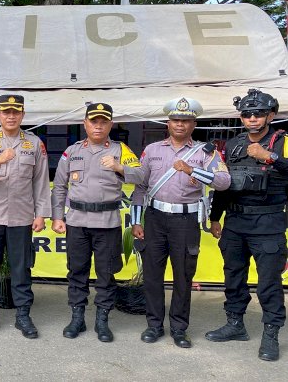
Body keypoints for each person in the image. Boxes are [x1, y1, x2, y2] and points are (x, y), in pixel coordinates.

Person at [130, 98, 231, 348]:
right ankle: (154, 325)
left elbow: (224, 181)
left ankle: (178, 328)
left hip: (185, 221)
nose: (180, 124)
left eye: (185, 121)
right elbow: (140, 187)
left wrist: (191, 170)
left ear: (193, 124)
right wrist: (135, 221)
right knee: (153, 275)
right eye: (176, 120)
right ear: (168, 122)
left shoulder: (206, 152)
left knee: (183, 277)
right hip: (154, 219)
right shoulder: (152, 150)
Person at [206, 89, 287, 362]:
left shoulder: (282, 141)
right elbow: (223, 184)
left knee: (268, 284)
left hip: (268, 222)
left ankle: (271, 334)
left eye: (258, 114)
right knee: (233, 277)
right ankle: (235, 324)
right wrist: (215, 217)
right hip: (236, 222)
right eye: (247, 114)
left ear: (271, 115)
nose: (252, 119)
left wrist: (270, 156)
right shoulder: (234, 145)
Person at [51, 103, 143, 342]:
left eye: (104, 121)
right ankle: (77, 318)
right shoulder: (72, 151)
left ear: (111, 124)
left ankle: (102, 320)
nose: (98, 125)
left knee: (106, 274)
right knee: (77, 271)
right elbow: (59, 186)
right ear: (85, 124)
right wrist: (58, 216)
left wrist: (119, 167)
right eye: (94, 121)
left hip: (107, 222)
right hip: (77, 221)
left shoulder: (120, 149)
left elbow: (142, 176)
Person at [0, 94, 51, 339]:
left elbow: (41, 181)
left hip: (22, 216)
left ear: (23, 115)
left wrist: (42, 214)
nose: (11, 116)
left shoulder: (34, 143)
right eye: (6, 112)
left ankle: (23, 314)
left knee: (21, 267)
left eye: (16, 112)